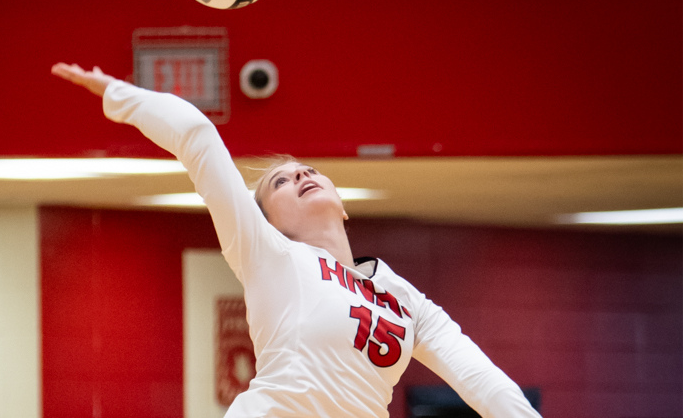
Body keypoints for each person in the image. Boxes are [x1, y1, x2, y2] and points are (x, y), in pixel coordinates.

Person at [51, 62, 542, 418]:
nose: (302, 174)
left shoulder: (405, 299)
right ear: (266, 221)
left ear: (344, 205)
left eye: (308, 171)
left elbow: (481, 380)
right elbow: (197, 135)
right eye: (280, 182)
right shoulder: (270, 255)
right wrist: (118, 92)